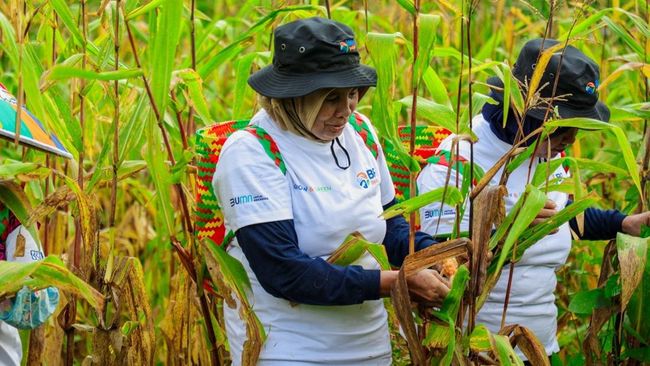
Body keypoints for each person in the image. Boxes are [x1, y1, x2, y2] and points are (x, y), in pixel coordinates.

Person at [213, 17, 450, 365]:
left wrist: (437, 256)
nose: (346, 110)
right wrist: (395, 284)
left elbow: (390, 226)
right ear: (291, 96)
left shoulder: (361, 133)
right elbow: (284, 272)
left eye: (352, 94)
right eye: (331, 98)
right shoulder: (252, 153)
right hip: (291, 351)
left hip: (368, 346)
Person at [417, 38, 650, 359]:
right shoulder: (460, 159)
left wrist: (623, 223)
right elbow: (438, 262)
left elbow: (566, 215)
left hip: (538, 343)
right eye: (564, 126)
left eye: (578, 127)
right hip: (477, 346)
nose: (571, 139)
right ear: (523, 113)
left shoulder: (550, 155)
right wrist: (513, 232)